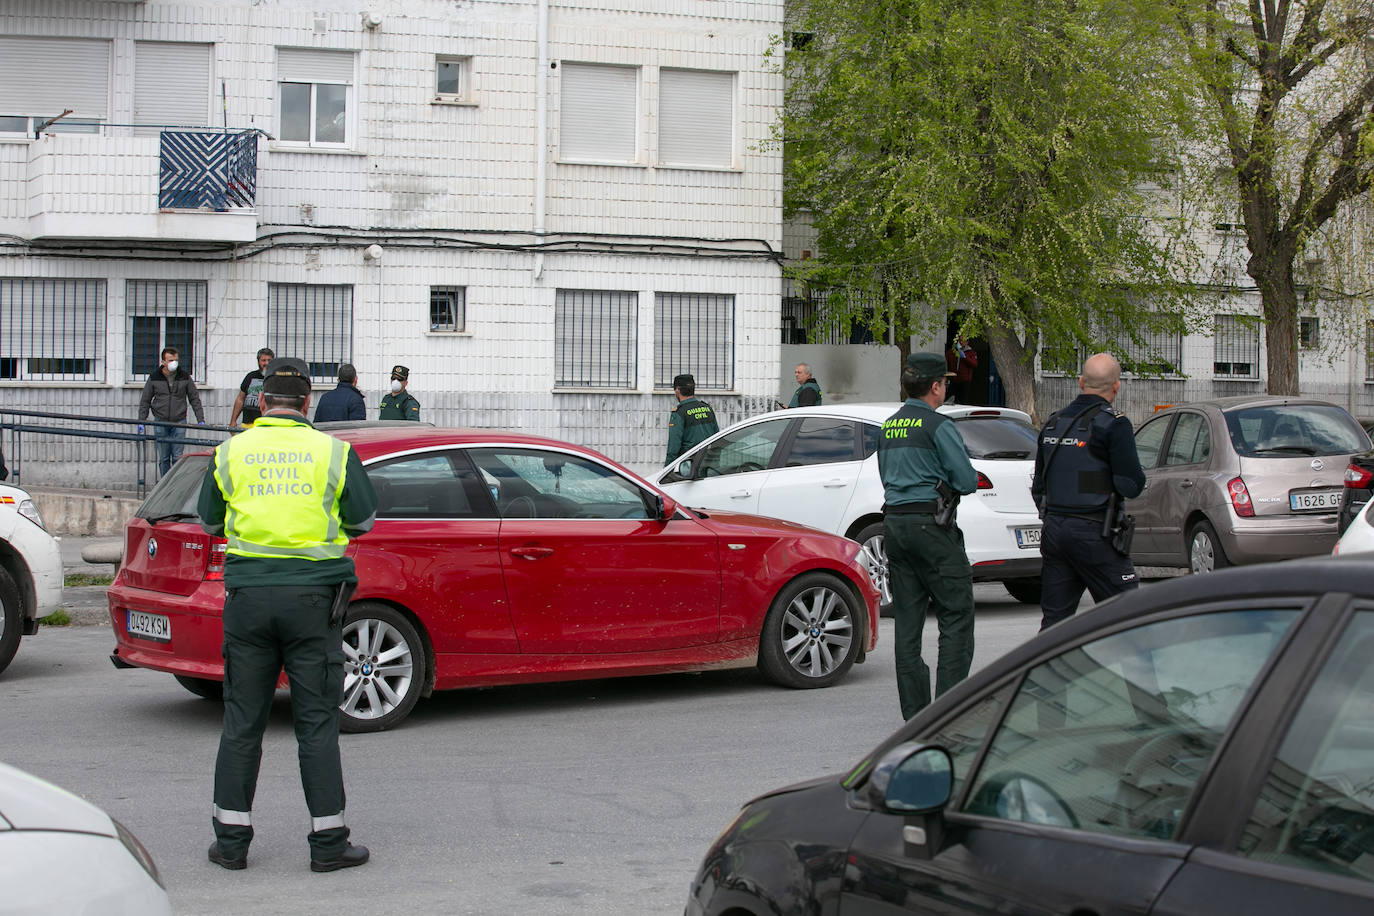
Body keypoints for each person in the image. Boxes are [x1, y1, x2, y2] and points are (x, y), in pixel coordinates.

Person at [198, 356, 377, 873]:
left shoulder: (230, 451)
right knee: (316, 724)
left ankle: (230, 845)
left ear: (260, 401)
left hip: (249, 601)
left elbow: (210, 520)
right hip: (313, 604)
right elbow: (362, 519)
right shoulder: (333, 452)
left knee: (241, 723)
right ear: (306, 403)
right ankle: (328, 845)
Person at [877, 352, 978, 720]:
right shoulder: (938, 425)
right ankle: (949, 716)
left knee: (907, 623)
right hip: (931, 528)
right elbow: (966, 480)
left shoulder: (888, 427)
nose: (946, 388)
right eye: (945, 382)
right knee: (956, 615)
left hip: (895, 528)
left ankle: (916, 718)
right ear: (936, 386)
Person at [1032, 352, 1146, 631]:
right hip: (1096, 532)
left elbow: (1039, 488)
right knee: (1129, 618)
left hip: (1055, 531)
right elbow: (1130, 485)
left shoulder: (1053, 423)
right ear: (1116, 386)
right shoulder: (1114, 423)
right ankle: (1135, 677)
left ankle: (1047, 674)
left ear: (1081, 382)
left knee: (1055, 624)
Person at [137, 347, 206, 477]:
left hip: (179, 421)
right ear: (163, 362)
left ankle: (175, 486)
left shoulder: (184, 376)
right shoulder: (154, 377)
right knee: (163, 458)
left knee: (177, 457)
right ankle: (164, 484)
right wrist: (142, 421)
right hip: (161, 421)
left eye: (176, 360)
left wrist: (200, 419)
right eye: (170, 360)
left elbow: (194, 398)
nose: (174, 363)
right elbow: (145, 400)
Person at [665, 373, 719, 465]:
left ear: (677, 390)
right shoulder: (707, 409)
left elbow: (674, 446)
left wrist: (667, 468)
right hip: (709, 463)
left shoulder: (679, 413)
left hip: (689, 466)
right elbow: (717, 437)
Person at [229, 347, 275, 428]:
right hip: (247, 424)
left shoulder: (276, 379)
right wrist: (233, 421)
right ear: (258, 361)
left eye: (269, 360)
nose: (266, 363)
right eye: (263, 360)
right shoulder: (250, 376)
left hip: (267, 426)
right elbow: (240, 399)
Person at [945, 337, 978, 404]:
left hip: (965, 380)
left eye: (964, 341)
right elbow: (947, 365)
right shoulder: (951, 352)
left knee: (963, 400)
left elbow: (974, 364)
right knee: (949, 399)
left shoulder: (971, 352)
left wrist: (964, 357)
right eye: (960, 340)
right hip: (953, 380)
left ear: (967, 342)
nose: (962, 342)